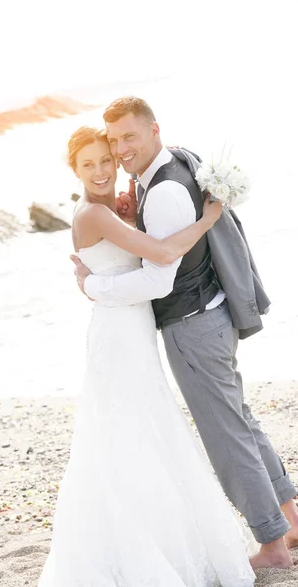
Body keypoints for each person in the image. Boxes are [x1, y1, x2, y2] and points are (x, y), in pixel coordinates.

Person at [71, 96, 298, 571]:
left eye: (128, 137)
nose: (121, 149)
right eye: (114, 142)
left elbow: (159, 277)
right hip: (205, 318)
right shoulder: (165, 169)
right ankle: (288, 520)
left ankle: (274, 545)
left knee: (226, 436)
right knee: (239, 421)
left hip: (193, 326)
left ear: (155, 130)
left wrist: (94, 284)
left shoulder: (166, 191)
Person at [38, 126, 256, 586]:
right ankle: (138, 548)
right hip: (119, 338)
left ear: (116, 161)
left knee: (143, 433)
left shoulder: (108, 209)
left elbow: (126, 251)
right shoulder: (93, 215)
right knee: (129, 438)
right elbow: (160, 253)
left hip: (133, 332)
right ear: (73, 170)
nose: (99, 171)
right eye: (87, 164)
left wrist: (128, 223)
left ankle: (157, 539)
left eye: (105, 160)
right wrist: (209, 217)